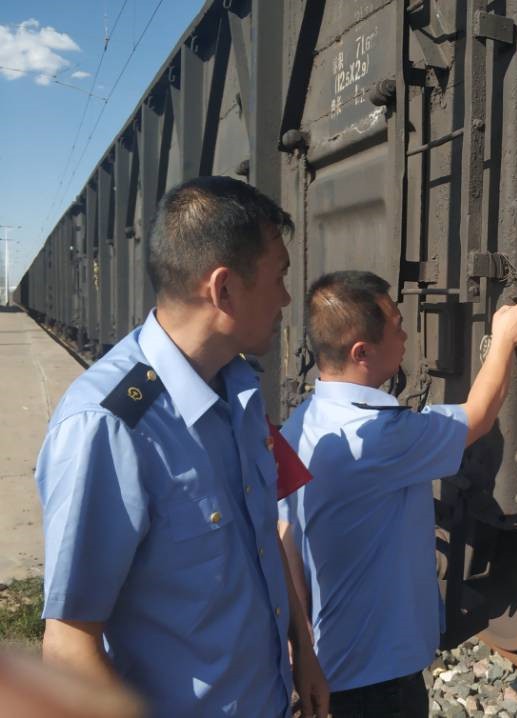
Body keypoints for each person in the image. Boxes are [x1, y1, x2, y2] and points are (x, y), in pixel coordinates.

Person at [35, 176, 329, 717]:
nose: (288, 298)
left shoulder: (238, 389)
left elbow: (262, 538)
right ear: (224, 289)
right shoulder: (111, 426)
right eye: (280, 276)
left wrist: (303, 652)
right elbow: (68, 647)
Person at [278, 271, 517, 717]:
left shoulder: (302, 423)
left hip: (335, 661)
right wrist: (503, 339)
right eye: (397, 325)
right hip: (376, 679)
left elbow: (284, 533)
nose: (405, 335)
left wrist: (301, 643)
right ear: (362, 352)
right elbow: (478, 416)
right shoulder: (375, 436)